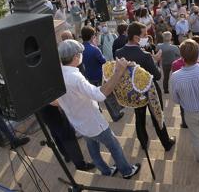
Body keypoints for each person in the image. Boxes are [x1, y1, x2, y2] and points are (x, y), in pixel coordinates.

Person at [56, 40, 141, 178]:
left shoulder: (58, 74)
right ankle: (126, 171)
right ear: (76, 57)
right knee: (114, 146)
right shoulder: (75, 77)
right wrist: (118, 72)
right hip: (93, 122)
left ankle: (106, 171)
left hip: (78, 122)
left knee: (92, 147)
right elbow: (100, 95)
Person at [115, 22, 175, 152]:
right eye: (144, 35)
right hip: (150, 91)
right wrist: (156, 60)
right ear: (137, 37)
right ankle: (166, 143)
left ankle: (143, 142)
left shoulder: (119, 52)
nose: (147, 37)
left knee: (139, 117)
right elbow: (158, 76)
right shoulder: (145, 55)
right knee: (157, 116)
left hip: (134, 92)